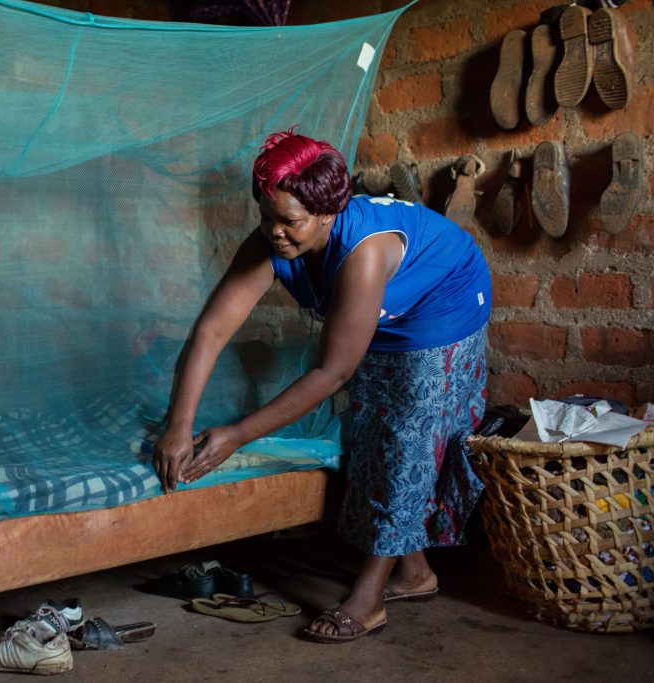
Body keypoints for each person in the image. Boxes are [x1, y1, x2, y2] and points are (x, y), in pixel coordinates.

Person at [151, 128, 492, 643]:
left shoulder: (364, 253)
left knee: (406, 439)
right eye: (266, 217)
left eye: (290, 221)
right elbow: (213, 329)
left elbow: (331, 374)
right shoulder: (273, 238)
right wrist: (179, 425)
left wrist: (238, 434)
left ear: (329, 213)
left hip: (443, 308)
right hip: (382, 309)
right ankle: (415, 572)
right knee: (373, 427)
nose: (275, 232)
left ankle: (369, 598)